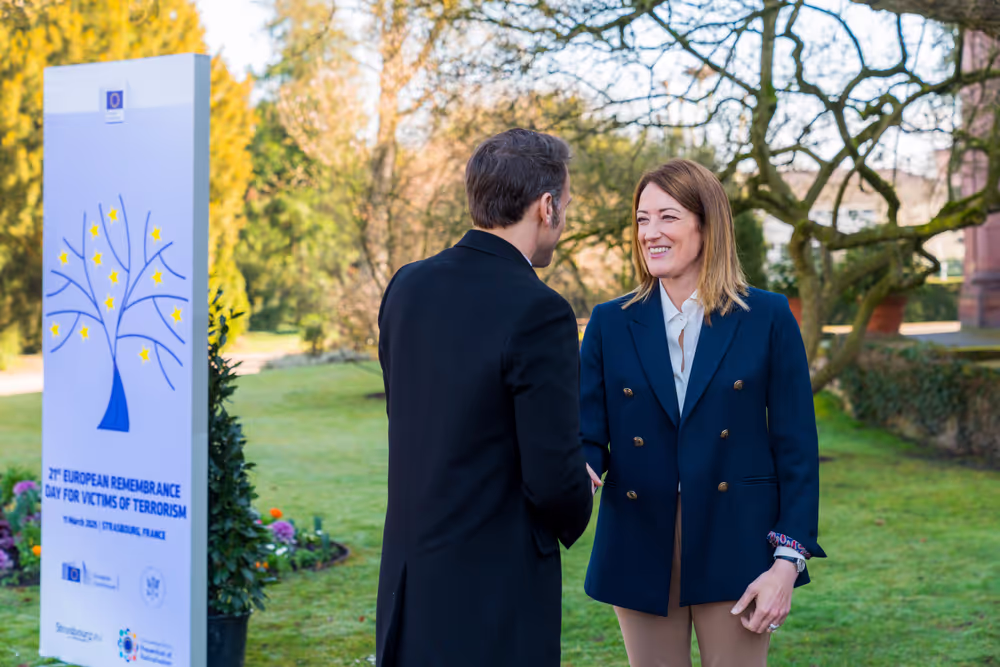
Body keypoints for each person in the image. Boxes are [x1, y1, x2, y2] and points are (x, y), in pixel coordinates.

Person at [580, 159, 826, 667]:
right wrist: (568, 476)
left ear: (706, 224)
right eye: (642, 219)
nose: (650, 232)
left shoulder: (768, 317)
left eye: (667, 217)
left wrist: (786, 563)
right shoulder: (609, 322)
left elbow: (796, 448)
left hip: (735, 540)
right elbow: (586, 436)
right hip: (638, 541)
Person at [375, 128, 598, 667]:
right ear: (546, 206)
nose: (563, 220)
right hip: (493, 598)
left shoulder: (406, 286)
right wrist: (580, 488)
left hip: (409, 586)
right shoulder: (540, 312)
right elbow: (552, 478)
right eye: (564, 205)